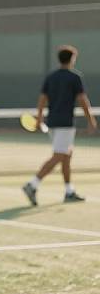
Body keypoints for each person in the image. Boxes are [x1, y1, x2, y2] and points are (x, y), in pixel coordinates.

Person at [22, 45, 97, 205]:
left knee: (66, 156)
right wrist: (91, 120)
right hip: (65, 124)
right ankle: (32, 184)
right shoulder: (74, 77)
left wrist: (39, 119)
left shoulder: (51, 77)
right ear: (72, 59)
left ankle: (69, 191)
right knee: (59, 156)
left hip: (53, 123)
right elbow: (83, 100)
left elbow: (42, 99)